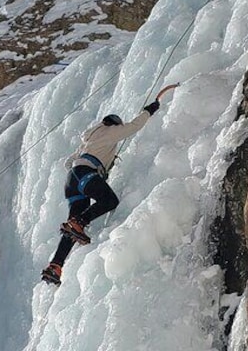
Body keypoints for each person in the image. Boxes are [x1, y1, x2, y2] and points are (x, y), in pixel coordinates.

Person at [41, 99, 161, 285]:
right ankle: (79, 222)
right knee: (109, 200)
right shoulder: (111, 131)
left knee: (71, 229)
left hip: (73, 180)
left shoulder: (88, 140)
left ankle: (55, 266)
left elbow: (68, 162)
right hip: (85, 174)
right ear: (114, 123)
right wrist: (149, 111)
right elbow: (134, 126)